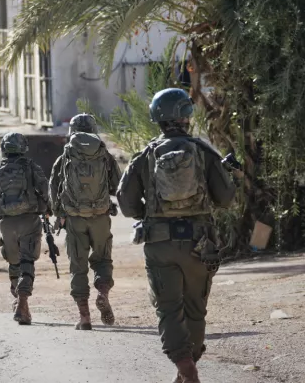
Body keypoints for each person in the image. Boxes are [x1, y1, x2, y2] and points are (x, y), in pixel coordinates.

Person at [117, 88, 236, 383]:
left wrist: (151, 209)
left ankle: (185, 370)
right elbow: (225, 200)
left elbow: (126, 204)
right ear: (185, 117)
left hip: (160, 244)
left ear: (157, 117)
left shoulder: (144, 156)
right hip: (200, 244)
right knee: (195, 309)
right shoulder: (205, 152)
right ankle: (188, 367)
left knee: (169, 308)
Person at [49, 114, 122, 330]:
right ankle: (102, 293)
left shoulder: (65, 157)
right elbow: (118, 185)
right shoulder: (104, 154)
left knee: (78, 267)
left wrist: (58, 213)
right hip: (100, 217)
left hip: (74, 219)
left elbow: (54, 187)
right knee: (102, 260)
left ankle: (84, 317)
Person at [0, 132, 52, 325]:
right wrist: (47, 210)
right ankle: (23, 302)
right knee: (27, 261)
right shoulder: (31, 167)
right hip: (29, 220)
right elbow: (45, 190)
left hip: (6, 224)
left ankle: (16, 298)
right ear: (23, 147)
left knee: (13, 261)